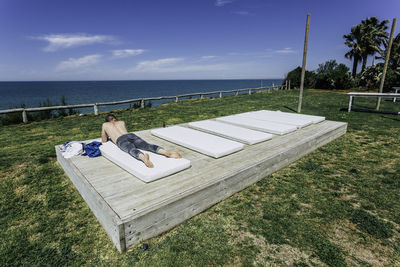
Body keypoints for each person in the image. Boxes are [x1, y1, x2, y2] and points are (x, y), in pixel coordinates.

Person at [101, 114, 181, 168]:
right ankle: (165, 152)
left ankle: (143, 158)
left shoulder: (105, 124)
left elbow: (104, 140)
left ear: (107, 120)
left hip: (120, 139)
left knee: (131, 149)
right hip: (131, 135)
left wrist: (109, 135)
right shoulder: (121, 122)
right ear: (115, 118)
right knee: (147, 145)